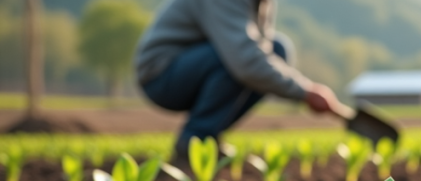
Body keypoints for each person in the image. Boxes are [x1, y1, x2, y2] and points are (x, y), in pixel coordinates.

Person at [134, 0, 340, 158]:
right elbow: (246, 59)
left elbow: (261, 49)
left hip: (200, 64)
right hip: (162, 75)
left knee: (276, 50)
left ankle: (207, 138)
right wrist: (304, 90)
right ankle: (195, 140)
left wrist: (303, 90)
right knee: (240, 59)